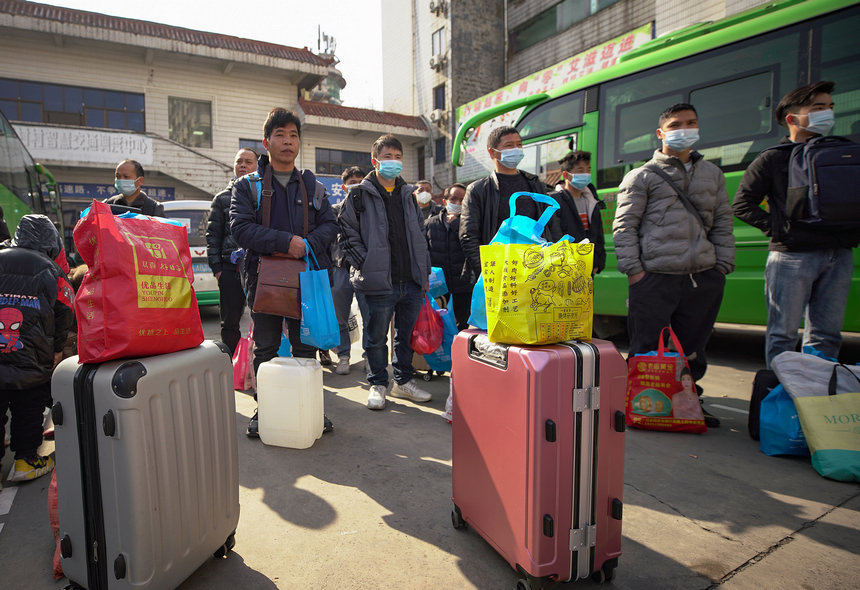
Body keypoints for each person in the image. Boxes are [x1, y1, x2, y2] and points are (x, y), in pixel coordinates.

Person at [612, 103, 735, 428]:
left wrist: (721, 266)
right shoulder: (641, 176)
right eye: (676, 124)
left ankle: (691, 400)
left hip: (703, 276)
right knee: (646, 346)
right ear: (661, 133)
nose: (684, 129)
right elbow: (624, 227)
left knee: (693, 346)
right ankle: (641, 402)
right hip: (654, 276)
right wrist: (635, 272)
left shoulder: (712, 175)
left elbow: (722, 222)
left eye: (691, 123)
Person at [732, 81, 859, 367]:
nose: (827, 113)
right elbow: (742, 204)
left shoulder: (843, 154)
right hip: (791, 257)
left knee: (826, 335)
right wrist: (779, 230)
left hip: (839, 255)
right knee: (783, 335)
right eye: (818, 108)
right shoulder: (772, 158)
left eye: (829, 107)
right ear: (792, 119)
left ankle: (816, 397)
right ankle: (782, 397)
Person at [230, 108, 338, 437]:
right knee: (265, 346)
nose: (287, 141)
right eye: (280, 135)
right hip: (264, 279)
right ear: (266, 142)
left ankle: (309, 406)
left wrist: (305, 245)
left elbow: (331, 225)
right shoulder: (247, 186)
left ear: (299, 143)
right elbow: (240, 229)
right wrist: (285, 242)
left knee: (306, 346)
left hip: (305, 279)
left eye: (293, 135)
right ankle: (267, 409)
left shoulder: (314, 188)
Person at [338, 134, 433, 410]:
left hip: (411, 280)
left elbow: (420, 234)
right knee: (376, 337)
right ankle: (378, 383)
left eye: (398, 157)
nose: (394, 162)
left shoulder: (408, 195)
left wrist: (423, 272)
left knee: (406, 336)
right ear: (375, 161)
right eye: (388, 156)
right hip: (377, 281)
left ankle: (403, 381)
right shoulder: (359, 194)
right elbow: (346, 234)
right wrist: (366, 264)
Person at [0, 215, 74, 482]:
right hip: (33, 355)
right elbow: (65, 311)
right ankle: (26, 461)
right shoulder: (53, 271)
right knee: (28, 407)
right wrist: (56, 349)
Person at [459, 125, 557, 275]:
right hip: (499, 272)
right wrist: (486, 272)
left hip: (536, 268)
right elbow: (468, 236)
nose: (516, 149)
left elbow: (551, 225)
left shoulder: (535, 184)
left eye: (519, 145)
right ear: (492, 152)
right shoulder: (478, 190)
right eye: (509, 145)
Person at [206, 148, 256, 355]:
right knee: (230, 321)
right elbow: (212, 235)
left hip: (257, 267)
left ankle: (257, 366)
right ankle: (230, 365)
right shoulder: (222, 199)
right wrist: (217, 268)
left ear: (257, 166)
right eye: (239, 162)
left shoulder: (264, 195)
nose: (243, 165)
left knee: (262, 319)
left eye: (248, 162)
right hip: (230, 268)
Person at [328, 166, 365, 375]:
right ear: (344, 187)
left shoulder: (373, 210)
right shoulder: (334, 210)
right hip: (340, 267)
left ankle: (370, 356)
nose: (357, 186)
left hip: (366, 268)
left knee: (369, 315)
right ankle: (343, 355)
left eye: (360, 182)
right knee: (339, 315)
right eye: (352, 183)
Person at [424, 183, 474, 330]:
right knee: (439, 325)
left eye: (462, 200)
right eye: (453, 199)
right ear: (444, 201)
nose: (457, 203)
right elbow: (424, 253)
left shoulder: (470, 225)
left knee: (462, 325)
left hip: (463, 285)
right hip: (438, 286)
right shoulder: (430, 224)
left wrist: (458, 224)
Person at [548, 151, 607, 274]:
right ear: (566, 175)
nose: (585, 174)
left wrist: (598, 262)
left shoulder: (592, 201)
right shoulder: (555, 201)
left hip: (588, 267)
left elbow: (598, 235)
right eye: (580, 170)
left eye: (588, 170)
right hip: (566, 268)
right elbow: (555, 235)